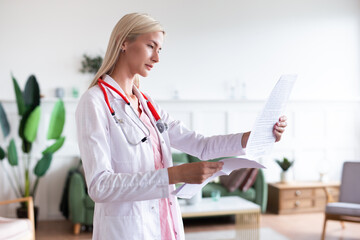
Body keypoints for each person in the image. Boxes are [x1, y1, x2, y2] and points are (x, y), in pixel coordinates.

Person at [75, 13, 287, 240]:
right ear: (124, 42)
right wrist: (174, 174)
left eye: (160, 50)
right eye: (150, 46)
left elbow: (201, 145)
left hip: (165, 224)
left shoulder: (147, 104)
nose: (156, 58)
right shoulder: (95, 102)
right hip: (128, 231)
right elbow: (100, 186)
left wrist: (253, 137)